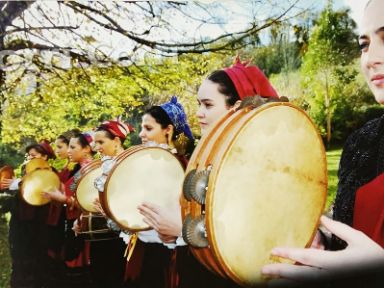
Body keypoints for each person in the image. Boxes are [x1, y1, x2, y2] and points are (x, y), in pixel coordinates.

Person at [261, 0, 384, 286]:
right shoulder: (361, 145)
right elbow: (345, 239)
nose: (370, 58)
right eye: (363, 44)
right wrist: (320, 243)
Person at [139, 60, 280, 288]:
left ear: (237, 107)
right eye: (198, 104)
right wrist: (174, 232)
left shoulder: (258, 163)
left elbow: (250, 237)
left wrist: (182, 230)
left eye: (207, 105)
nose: (198, 114)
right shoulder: (212, 156)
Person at [0, 140, 56, 287]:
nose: (29, 158)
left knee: (37, 264)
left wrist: (18, 183)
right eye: (29, 156)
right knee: (20, 263)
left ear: (44, 157)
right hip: (21, 226)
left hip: (39, 227)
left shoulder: (51, 174)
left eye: (33, 155)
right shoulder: (26, 173)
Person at [42, 132, 95, 288]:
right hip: (75, 223)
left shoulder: (87, 170)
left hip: (84, 226)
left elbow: (87, 203)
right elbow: (68, 191)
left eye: (73, 147)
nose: (69, 151)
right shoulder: (80, 169)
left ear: (86, 149)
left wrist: (62, 199)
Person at [89, 119, 133, 288]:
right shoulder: (104, 164)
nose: (97, 147)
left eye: (101, 142)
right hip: (104, 234)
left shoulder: (129, 164)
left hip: (123, 236)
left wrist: (110, 211)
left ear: (116, 141)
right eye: (95, 142)